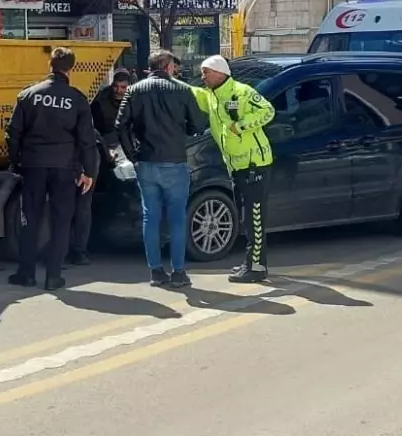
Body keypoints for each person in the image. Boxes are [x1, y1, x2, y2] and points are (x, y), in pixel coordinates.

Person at [5, 47, 97, 291]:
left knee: (30, 220)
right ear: (71, 68)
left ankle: (26, 273)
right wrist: (89, 172)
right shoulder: (77, 99)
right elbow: (87, 140)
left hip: (33, 165)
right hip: (65, 168)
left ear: (50, 65)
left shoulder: (28, 95)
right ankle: (54, 276)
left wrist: (16, 161)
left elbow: (12, 133)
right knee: (61, 221)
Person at [115, 50, 206, 288]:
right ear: (167, 67)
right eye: (174, 66)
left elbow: (120, 125)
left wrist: (133, 155)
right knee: (177, 218)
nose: (176, 70)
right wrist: (181, 130)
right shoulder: (183, 90)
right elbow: (198, 125)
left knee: (151, 217)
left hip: (146, 162)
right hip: (175, 161)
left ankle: (156, 271)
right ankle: (178, 272)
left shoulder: (134, 90)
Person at [190, 55, 276, 284]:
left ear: (218, 72)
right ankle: (251, 262)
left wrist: (239, 127)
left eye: (205, 73)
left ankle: (257, 267)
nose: (202, 77)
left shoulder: (242, 91)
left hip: (254, 164)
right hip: (237, 166)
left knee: (254, 217)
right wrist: (166, 79)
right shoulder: (211, 97)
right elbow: (190, 92)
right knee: (246, 218)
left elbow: (267, 111)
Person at [68, 69, 133, 266]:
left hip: (122, 146)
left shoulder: (133, 99)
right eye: (116, 87)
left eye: (123, 87)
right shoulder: (99, 103)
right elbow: (93, 132)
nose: (119, 91)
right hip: (104, 147)